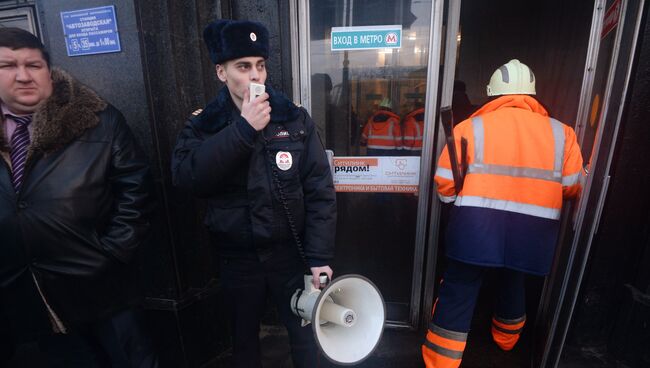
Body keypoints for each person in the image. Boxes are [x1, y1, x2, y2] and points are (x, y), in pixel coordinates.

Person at [171, 19, 336, 368]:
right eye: (243, 67)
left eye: (260, 66)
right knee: (244, 342)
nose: (255, 76)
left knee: (305, 336)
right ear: (221, 72)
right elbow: (187, 177)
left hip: (290, 255)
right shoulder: (205, 124)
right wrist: (243, 130)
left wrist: (318, 255)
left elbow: (319, 188)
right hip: (238, 259)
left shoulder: (293, 119)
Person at [0, 28, 158, 367]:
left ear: (49, 72)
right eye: (8, 65)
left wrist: (114, 251)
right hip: (31, 294)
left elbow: (136, 187)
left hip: (102, 287)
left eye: (34, 65)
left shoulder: (98, 121)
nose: (23, 75)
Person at [422, 59, 584, 368]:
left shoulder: (469, 127)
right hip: (533, 232)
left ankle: (440, 362)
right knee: (514, 281)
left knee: (459, 287)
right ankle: (506, 342)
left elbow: (444, 184)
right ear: (532, 95)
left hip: (475, 226)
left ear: (492, 94)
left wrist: (452, 199)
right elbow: (573, 187)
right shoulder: (562, 133)